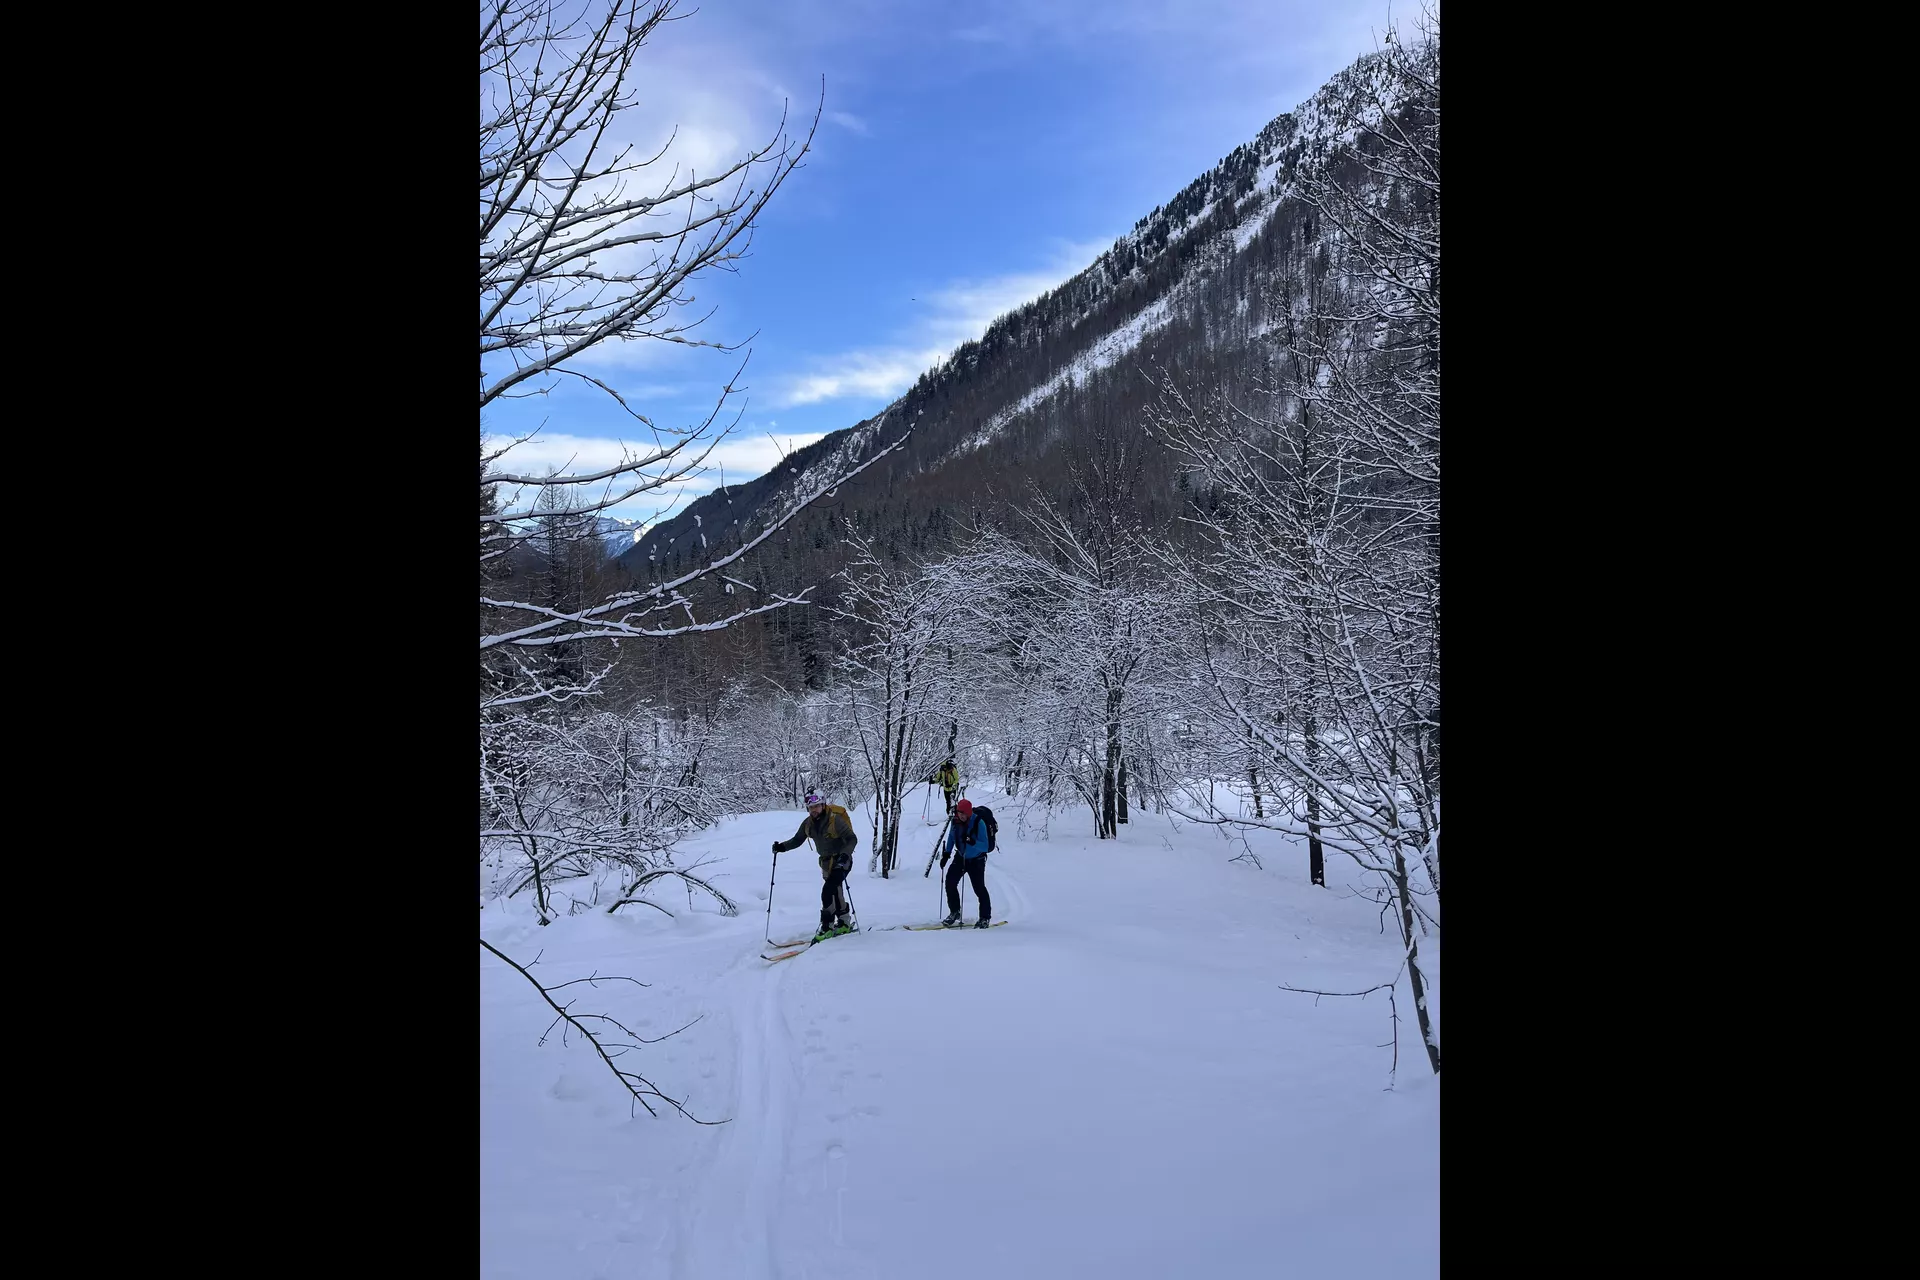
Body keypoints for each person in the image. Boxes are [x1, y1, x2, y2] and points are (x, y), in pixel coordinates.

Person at [773, 791, 858, 938]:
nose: (813, 810)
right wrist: (781, 847)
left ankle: (827, 926)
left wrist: (844, 856)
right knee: (835, 891)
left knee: (827, 891)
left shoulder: (834, 820)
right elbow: (797, 840)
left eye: (817, 806)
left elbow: (851, 839)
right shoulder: (808, 824)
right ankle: (844, 923)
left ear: (823, 805)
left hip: (842, 860)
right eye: (810, 807)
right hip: (826, 863)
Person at [940, 797, 992, 928]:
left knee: (979, 888)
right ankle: (955, 911)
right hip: (960, 857)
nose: (961, 815)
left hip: (977, 860)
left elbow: (986, 846)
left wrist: (972, 842)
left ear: (969, 813)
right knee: (950, 882)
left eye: (964, 813)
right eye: (959, 812)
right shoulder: (955, 821)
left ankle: (984, 917)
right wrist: (947, 854)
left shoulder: (979, 823)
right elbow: (952, 837)